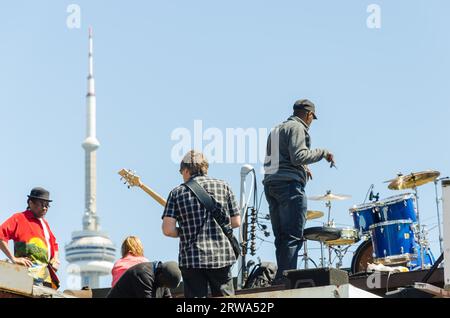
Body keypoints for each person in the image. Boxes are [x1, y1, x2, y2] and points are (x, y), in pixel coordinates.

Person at [263, 99, 334, 281]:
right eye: (312, 118)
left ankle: (280, 279)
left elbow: (280, 159)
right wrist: (323, 153)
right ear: (309, 115)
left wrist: (302, 167)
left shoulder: (276, 129)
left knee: (281, 238)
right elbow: (298, 156)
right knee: (293, 237)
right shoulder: (297, 127)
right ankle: (286, 281)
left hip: (272, 185)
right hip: (289, 186)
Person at [162, 150, 241, 298]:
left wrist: (183, 231)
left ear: (186, 170)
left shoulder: (177, 193)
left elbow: (168, 230)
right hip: (221, 256)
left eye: (181, 172)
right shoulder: (224, 186)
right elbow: (236, 221)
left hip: (192, 259)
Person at [0, 187, 60, 288]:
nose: (45, 208)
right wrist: (13, 258)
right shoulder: (19, 218)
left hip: (46, 279)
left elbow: (54, 245)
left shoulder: (45, 224)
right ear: (31, 203)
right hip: (27, 277)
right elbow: (1, 235)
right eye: (42, 204)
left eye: (47, 205)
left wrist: (56, 260)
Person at [107, 261, 181, 298]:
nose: (164, 287)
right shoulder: (143, 274)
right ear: (161, 276)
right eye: (164, 284)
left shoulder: (162, 275)